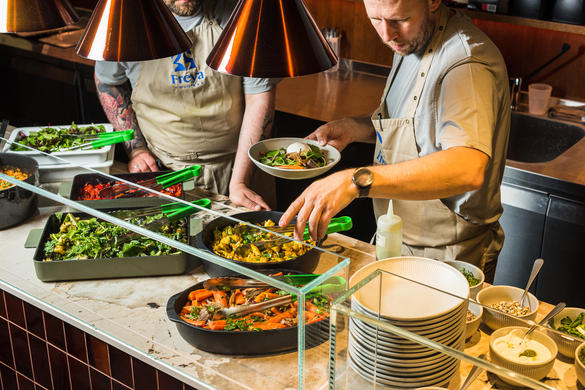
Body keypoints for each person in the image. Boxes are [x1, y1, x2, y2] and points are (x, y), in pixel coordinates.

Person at [279, 0, 510, 280]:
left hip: (449, 257)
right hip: (399, 238)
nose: (387, 35)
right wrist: (356, 128)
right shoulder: (412, 39)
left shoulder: (467, 64)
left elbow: (468, 168)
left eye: (399, 19)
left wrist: (354, 182)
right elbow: (418, 123)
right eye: (376, 19)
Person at [94, 0, 276, 210]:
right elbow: (108, 81)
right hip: (165, 172)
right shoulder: (125, 22)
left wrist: (240, 182)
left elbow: (259, 98)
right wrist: (136, 149)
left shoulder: (241, 13)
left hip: (242, 164)